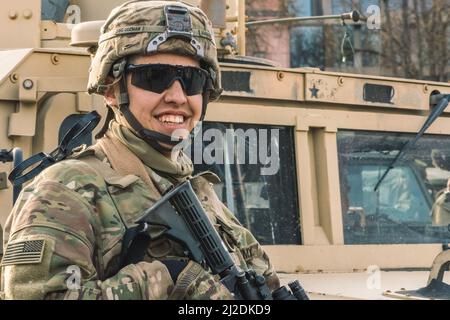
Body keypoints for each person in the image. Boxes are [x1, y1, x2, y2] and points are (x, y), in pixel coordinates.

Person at [0, 1, 280, 300]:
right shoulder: (66, 189)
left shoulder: (200, 192)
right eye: (154, 77)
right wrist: (167, 279)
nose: (176, 96)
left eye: (192, 80)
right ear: (111, 89)